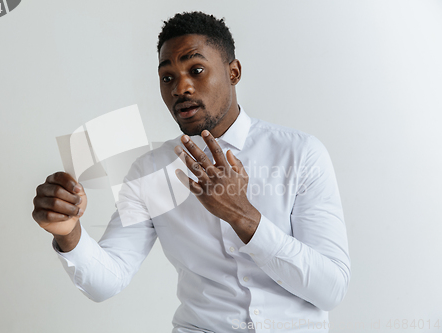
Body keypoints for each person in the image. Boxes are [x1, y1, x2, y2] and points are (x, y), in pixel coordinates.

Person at [32, 11, 350, 332]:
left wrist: (243, 217)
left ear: (234, 72)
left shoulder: (300, 154)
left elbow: (331, 290)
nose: (180, 87)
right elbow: (107, 281)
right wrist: (69, 232)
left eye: (196, 70)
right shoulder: (151, 171)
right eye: (167, 77)